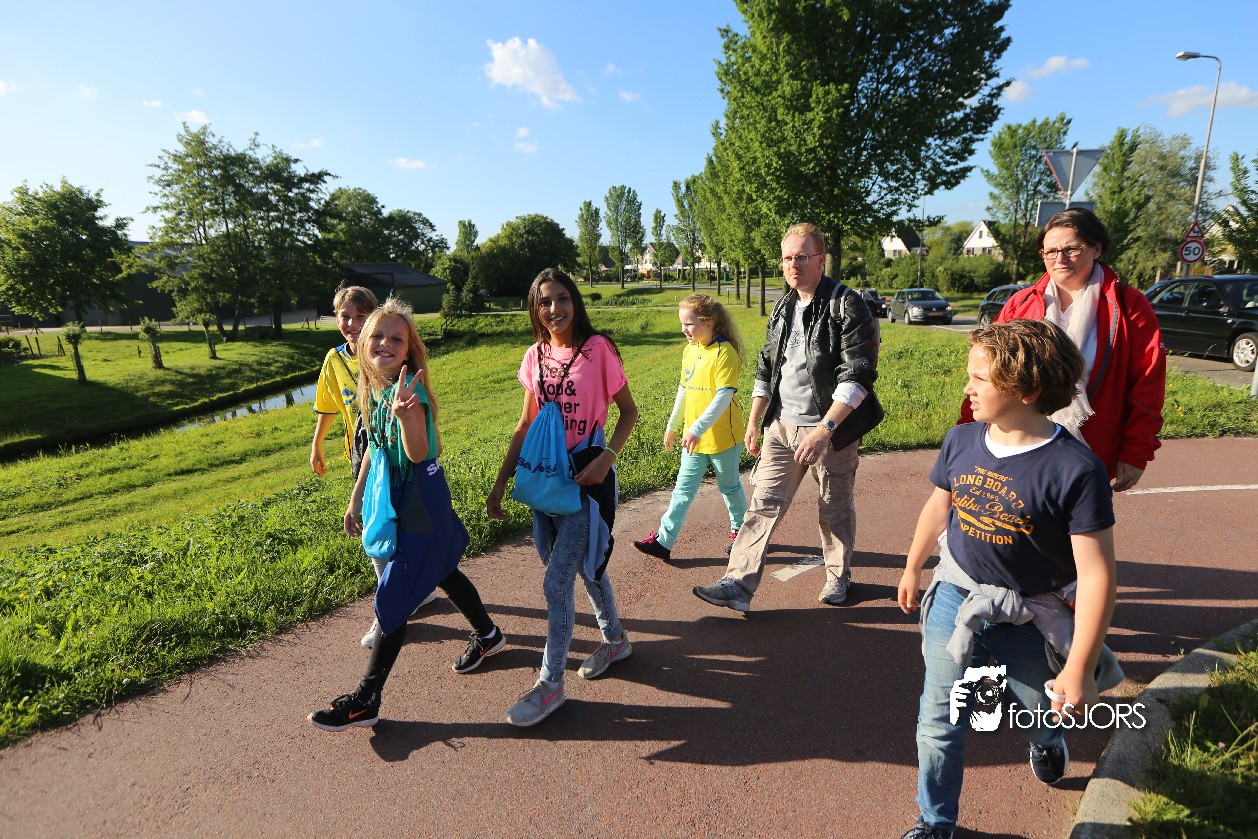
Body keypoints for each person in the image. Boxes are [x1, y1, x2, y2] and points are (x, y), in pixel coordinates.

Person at [897, 319, 1119, 839]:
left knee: (1038, 710)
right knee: (938, 720)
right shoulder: (962, 439)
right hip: (957, 596)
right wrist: (913, 564)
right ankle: (935, 823)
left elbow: (1097, 575)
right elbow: (939, 506)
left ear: (1027, 390)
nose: (967, 388)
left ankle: (1047, 741)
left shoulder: (1075, 469)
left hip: (1032, 615)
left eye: (979, 378)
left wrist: (1080, 668)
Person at [308, 298, 506, 732]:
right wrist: (356, 498)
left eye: (396, 338)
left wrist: (405, 417)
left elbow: (419, 454)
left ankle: (365, 700)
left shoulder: (409, 395)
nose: (385, 343)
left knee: (395, 596)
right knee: (443, 569)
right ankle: (489, 635)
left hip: (422, 501)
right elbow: (374, 450)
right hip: (396, 498)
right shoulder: (372, 390)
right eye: (377, 335)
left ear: (409, 349)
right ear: (363, 344)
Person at [693, 223, 882, 612]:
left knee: (833, 507)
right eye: (787, 258)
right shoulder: (782, 307)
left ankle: (838, 575)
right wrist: (755, 419)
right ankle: (737, 584)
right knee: (762, 503)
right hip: (781, 424)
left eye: (802, 257)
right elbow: (767, 366)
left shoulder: (846, 305)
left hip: (833, 429)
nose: (793, 265)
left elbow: (858, 374)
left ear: (820, 260)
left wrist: (825, 430)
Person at [487, 268, 639, 727]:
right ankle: (616, 640)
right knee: (584, 567)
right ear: (535, 309)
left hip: (585, 481)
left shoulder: (598, 349)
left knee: (557, 584)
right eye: (544, 302)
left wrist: (607, 458)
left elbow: (629, 413)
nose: (554, 309)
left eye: (562, 298)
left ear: (575, 301)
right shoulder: (534, 356)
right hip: (543, 480)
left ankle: (550, 685)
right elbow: (525, 424)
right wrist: (501, 481)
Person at [960, 207, 1165, 492]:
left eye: (1072, 249)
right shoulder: (1021, 304)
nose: (1060, 259)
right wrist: (968, 432)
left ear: (1096, 249)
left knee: (1078, 518)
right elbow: (987, 374)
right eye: (1050, 251)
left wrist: (1137, 452)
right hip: (1017, 442)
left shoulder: (1129, 306)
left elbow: (1147, 383)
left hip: (1089, 448)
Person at [309, 285, 436, 648]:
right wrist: (317, 444)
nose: (352, 324)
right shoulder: (338, 360)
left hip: (397, 457)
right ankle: (399, 601)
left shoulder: (388, 361)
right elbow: (327, 404)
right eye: (345, 316)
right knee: (379, 533)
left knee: (399, 539)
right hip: (366, 451)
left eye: (361, 317)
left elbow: (425, 439)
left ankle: (391, 610)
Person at [633, 293, 747, 561]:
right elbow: (683, 389)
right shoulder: (690, 350)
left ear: (708, 322)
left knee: (729, 487)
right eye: (682, 324)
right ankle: (664, 541)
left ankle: (742, 534)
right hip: (694, 438)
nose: (684, 329)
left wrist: (697, 428)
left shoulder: (724, 352)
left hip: (723, 437)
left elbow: (724, 396)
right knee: (682, 489)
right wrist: (674, 424)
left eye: (689, 323)